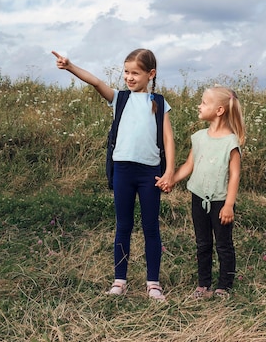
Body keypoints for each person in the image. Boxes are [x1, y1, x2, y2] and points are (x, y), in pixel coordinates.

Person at [52, 49, 175, 301]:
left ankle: (153, 283)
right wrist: (70, 66)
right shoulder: (119, 98)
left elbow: (168, 139)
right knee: (123, 226)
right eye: (126, 72)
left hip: (150, 173)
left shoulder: (159, 102)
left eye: (135, 73)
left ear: (150, 74)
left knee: (151, 228)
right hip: (123, 171)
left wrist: (170, 171)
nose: (129, 78)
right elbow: (96, 81)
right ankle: (120, 280)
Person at [157, 86, 245, 299]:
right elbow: (189, 165)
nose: (200, 105)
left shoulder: (231, 142)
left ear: (219, 110)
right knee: (202, 243)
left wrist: (229, 205)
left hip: (220, 201)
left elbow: (234, 175)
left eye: (204, 102)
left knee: (223, 245)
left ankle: (224, 286)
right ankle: (203, 284)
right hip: (198, 197)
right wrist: (171, 180)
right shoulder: (198, 137)